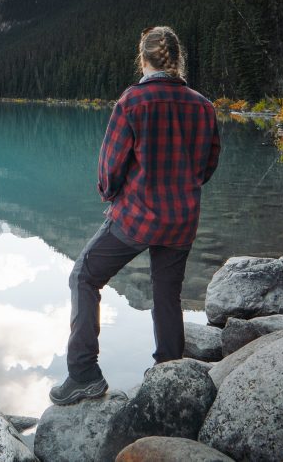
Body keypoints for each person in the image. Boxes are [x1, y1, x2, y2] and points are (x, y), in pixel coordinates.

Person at [50, 25, 222, 406]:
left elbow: (110, 167)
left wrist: (111, 196)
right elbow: (208, 164)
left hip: (137, 217)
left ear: (143, 59)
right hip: (181, 219)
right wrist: (184, 190)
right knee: (167, 295)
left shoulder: (132, 101)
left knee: (84, 276)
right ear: (177, 60)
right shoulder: (203, 105)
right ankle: (169, 372)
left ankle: (83, 374)